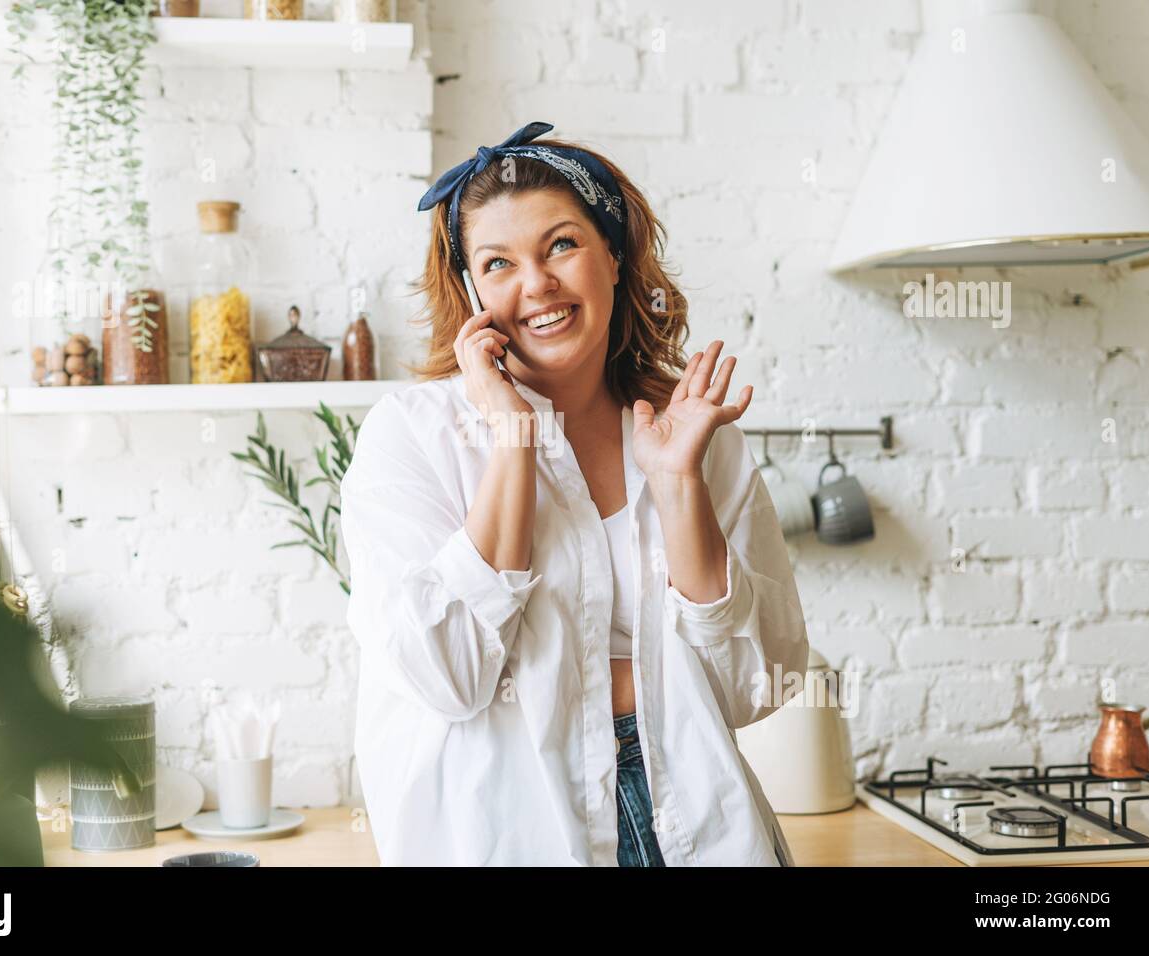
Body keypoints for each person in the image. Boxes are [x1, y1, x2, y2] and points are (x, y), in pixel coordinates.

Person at [340, 121, 809, 866]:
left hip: (693, 816)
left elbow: (755, 685)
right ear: (472, 290)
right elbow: (451, 676)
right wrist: (513, 440)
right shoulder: (410, 436)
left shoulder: (690, 428)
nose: (537, 286)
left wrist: (678, 484)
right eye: (498, 263)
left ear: (615, 257)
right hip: (508, 830)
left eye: (561, 244)